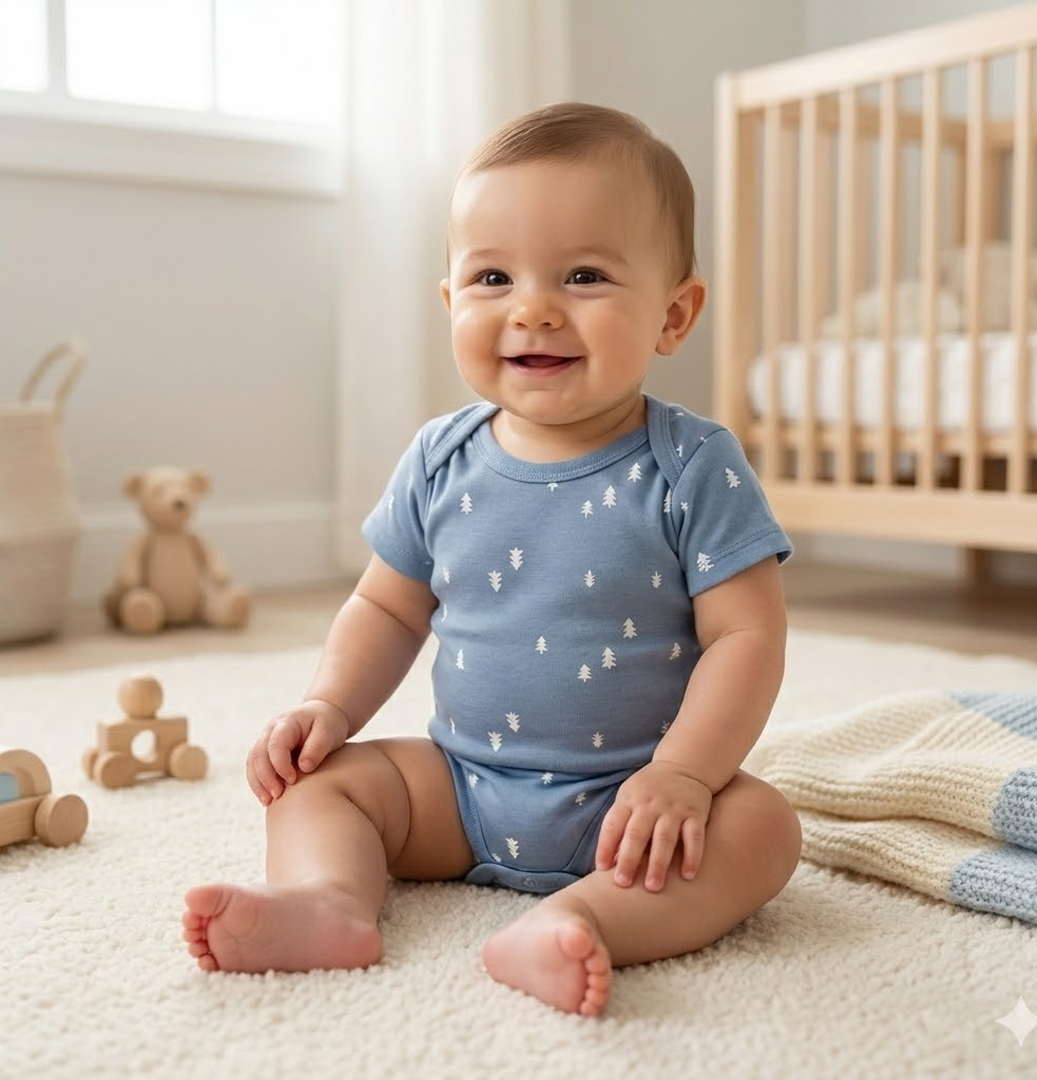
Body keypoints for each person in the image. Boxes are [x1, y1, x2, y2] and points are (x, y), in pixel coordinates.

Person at [182, 101, 801, 1017]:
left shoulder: (691, 464)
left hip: (630, 803)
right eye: (493, 277)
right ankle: (327, 903)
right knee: (321, 786)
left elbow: (747, 635)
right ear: (450, 303)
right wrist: (328, 704)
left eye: (584, 275)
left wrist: (683, 775)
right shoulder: (441, 457)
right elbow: (388, 609)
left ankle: (584, 920)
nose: (534, 308)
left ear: (674, 314)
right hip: (459, 785)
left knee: (764, 829)